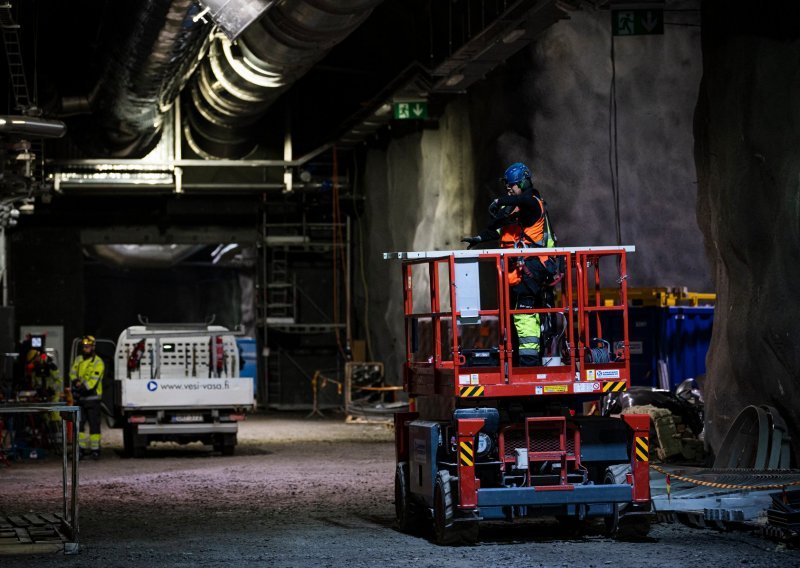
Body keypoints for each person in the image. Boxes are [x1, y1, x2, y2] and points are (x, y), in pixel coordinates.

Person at [461, 162, 560, 366]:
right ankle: (517, 356)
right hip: (522, 269)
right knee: (516, 313)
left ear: (522, 183)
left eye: (512, 186)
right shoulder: (519, 211)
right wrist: (479, 238)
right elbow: (499, 228)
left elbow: (522, 200)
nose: (509, 190)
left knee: (524, 312)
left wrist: (500, 201)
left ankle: (529, 359)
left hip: (534, 267)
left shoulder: (533, 203)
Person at [69, 335, 105, 459]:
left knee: (94, 426)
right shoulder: (78, 359)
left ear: (93, 347)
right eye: (84, 346)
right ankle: (80, 449)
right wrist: (76, 383)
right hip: (80, 399)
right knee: (79, 425)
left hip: (93, 399)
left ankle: (95, 450)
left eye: (88, 346)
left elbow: (93, 381)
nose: (86, 348)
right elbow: (72, 373)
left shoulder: (98, 362)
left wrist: (81, 387)